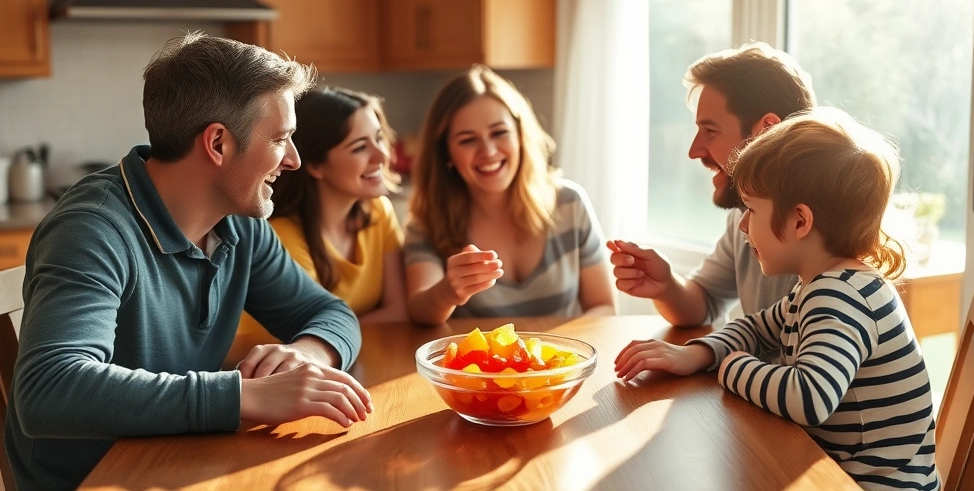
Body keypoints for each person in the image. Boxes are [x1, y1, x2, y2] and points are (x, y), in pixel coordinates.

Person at [5, 33, 373, 490]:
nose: (294, 160)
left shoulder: (239, 223)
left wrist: (305, 356)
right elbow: (50, 390)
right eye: (280, 138)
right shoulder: (92, 230)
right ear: (217, 143)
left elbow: (330, 312)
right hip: (98, 481)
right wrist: (241, 397)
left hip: (184, 460)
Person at [615, 109, 939, 490]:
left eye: (751, 209)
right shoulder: (826, 285)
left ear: (799, 221)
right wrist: (696, 354)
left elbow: (810, 396)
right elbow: (756, 328)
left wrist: (731, 366)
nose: (741, 224)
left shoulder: (839, 296)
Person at [608, 42, 816, 326]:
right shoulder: (743, 216)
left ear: (766, 131)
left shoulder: (828, 231)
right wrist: (666, 286)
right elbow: (704, 301)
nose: (694, 151)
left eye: (711, 131)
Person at [404, 64, 616, 324]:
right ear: (445, 153)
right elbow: (420, 312)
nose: (489, 151)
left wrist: (552, 354)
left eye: (499, 133)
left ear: (520, 136)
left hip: (561, 361)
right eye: (467, 140)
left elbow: (604, 307)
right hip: (478, 366)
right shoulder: (427, 222)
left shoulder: (570, 203)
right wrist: (448, 291)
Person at [267, 87, 408, 322]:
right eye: (360, 147)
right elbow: (311, 330)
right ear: (314, 165)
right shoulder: (284, 237)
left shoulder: (378, 211)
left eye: (379, 139)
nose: (382, 156)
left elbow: (399, 312)